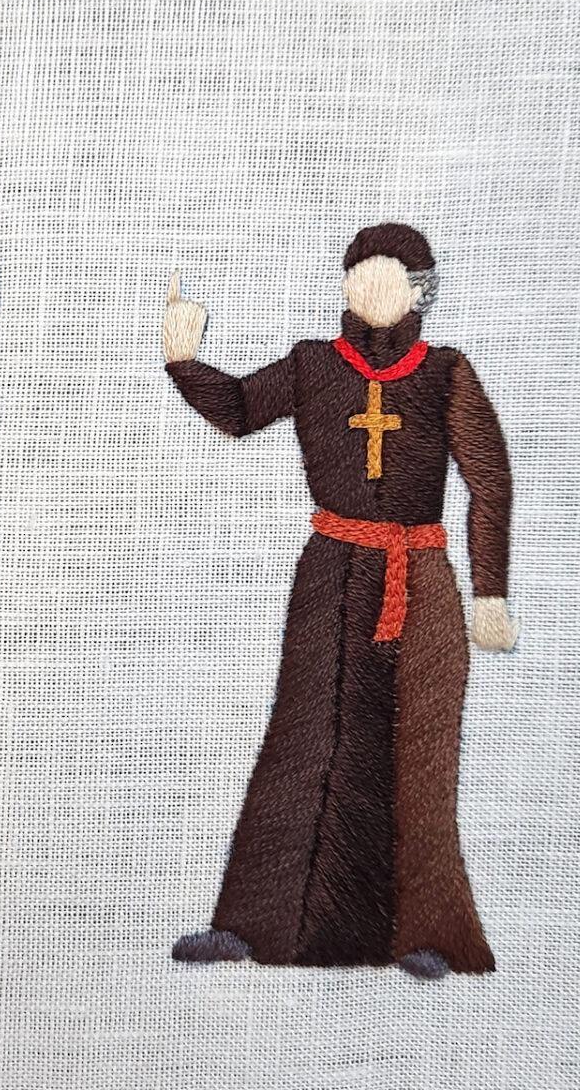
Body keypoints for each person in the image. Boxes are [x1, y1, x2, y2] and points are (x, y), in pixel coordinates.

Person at [163, 223, 517, 978]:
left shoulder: (446, 372)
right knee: (305, 733)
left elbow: (489, 481)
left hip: (419, 580)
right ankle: (255, 925)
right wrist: (183, 358)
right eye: (360, 274)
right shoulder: (313, 364)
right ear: (346, 286)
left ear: (420, 292)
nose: (372, 288)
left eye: (391, 276)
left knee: (420, 747)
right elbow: (238, 410)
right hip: (330, 570)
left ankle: (426, 936)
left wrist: (490, 593)